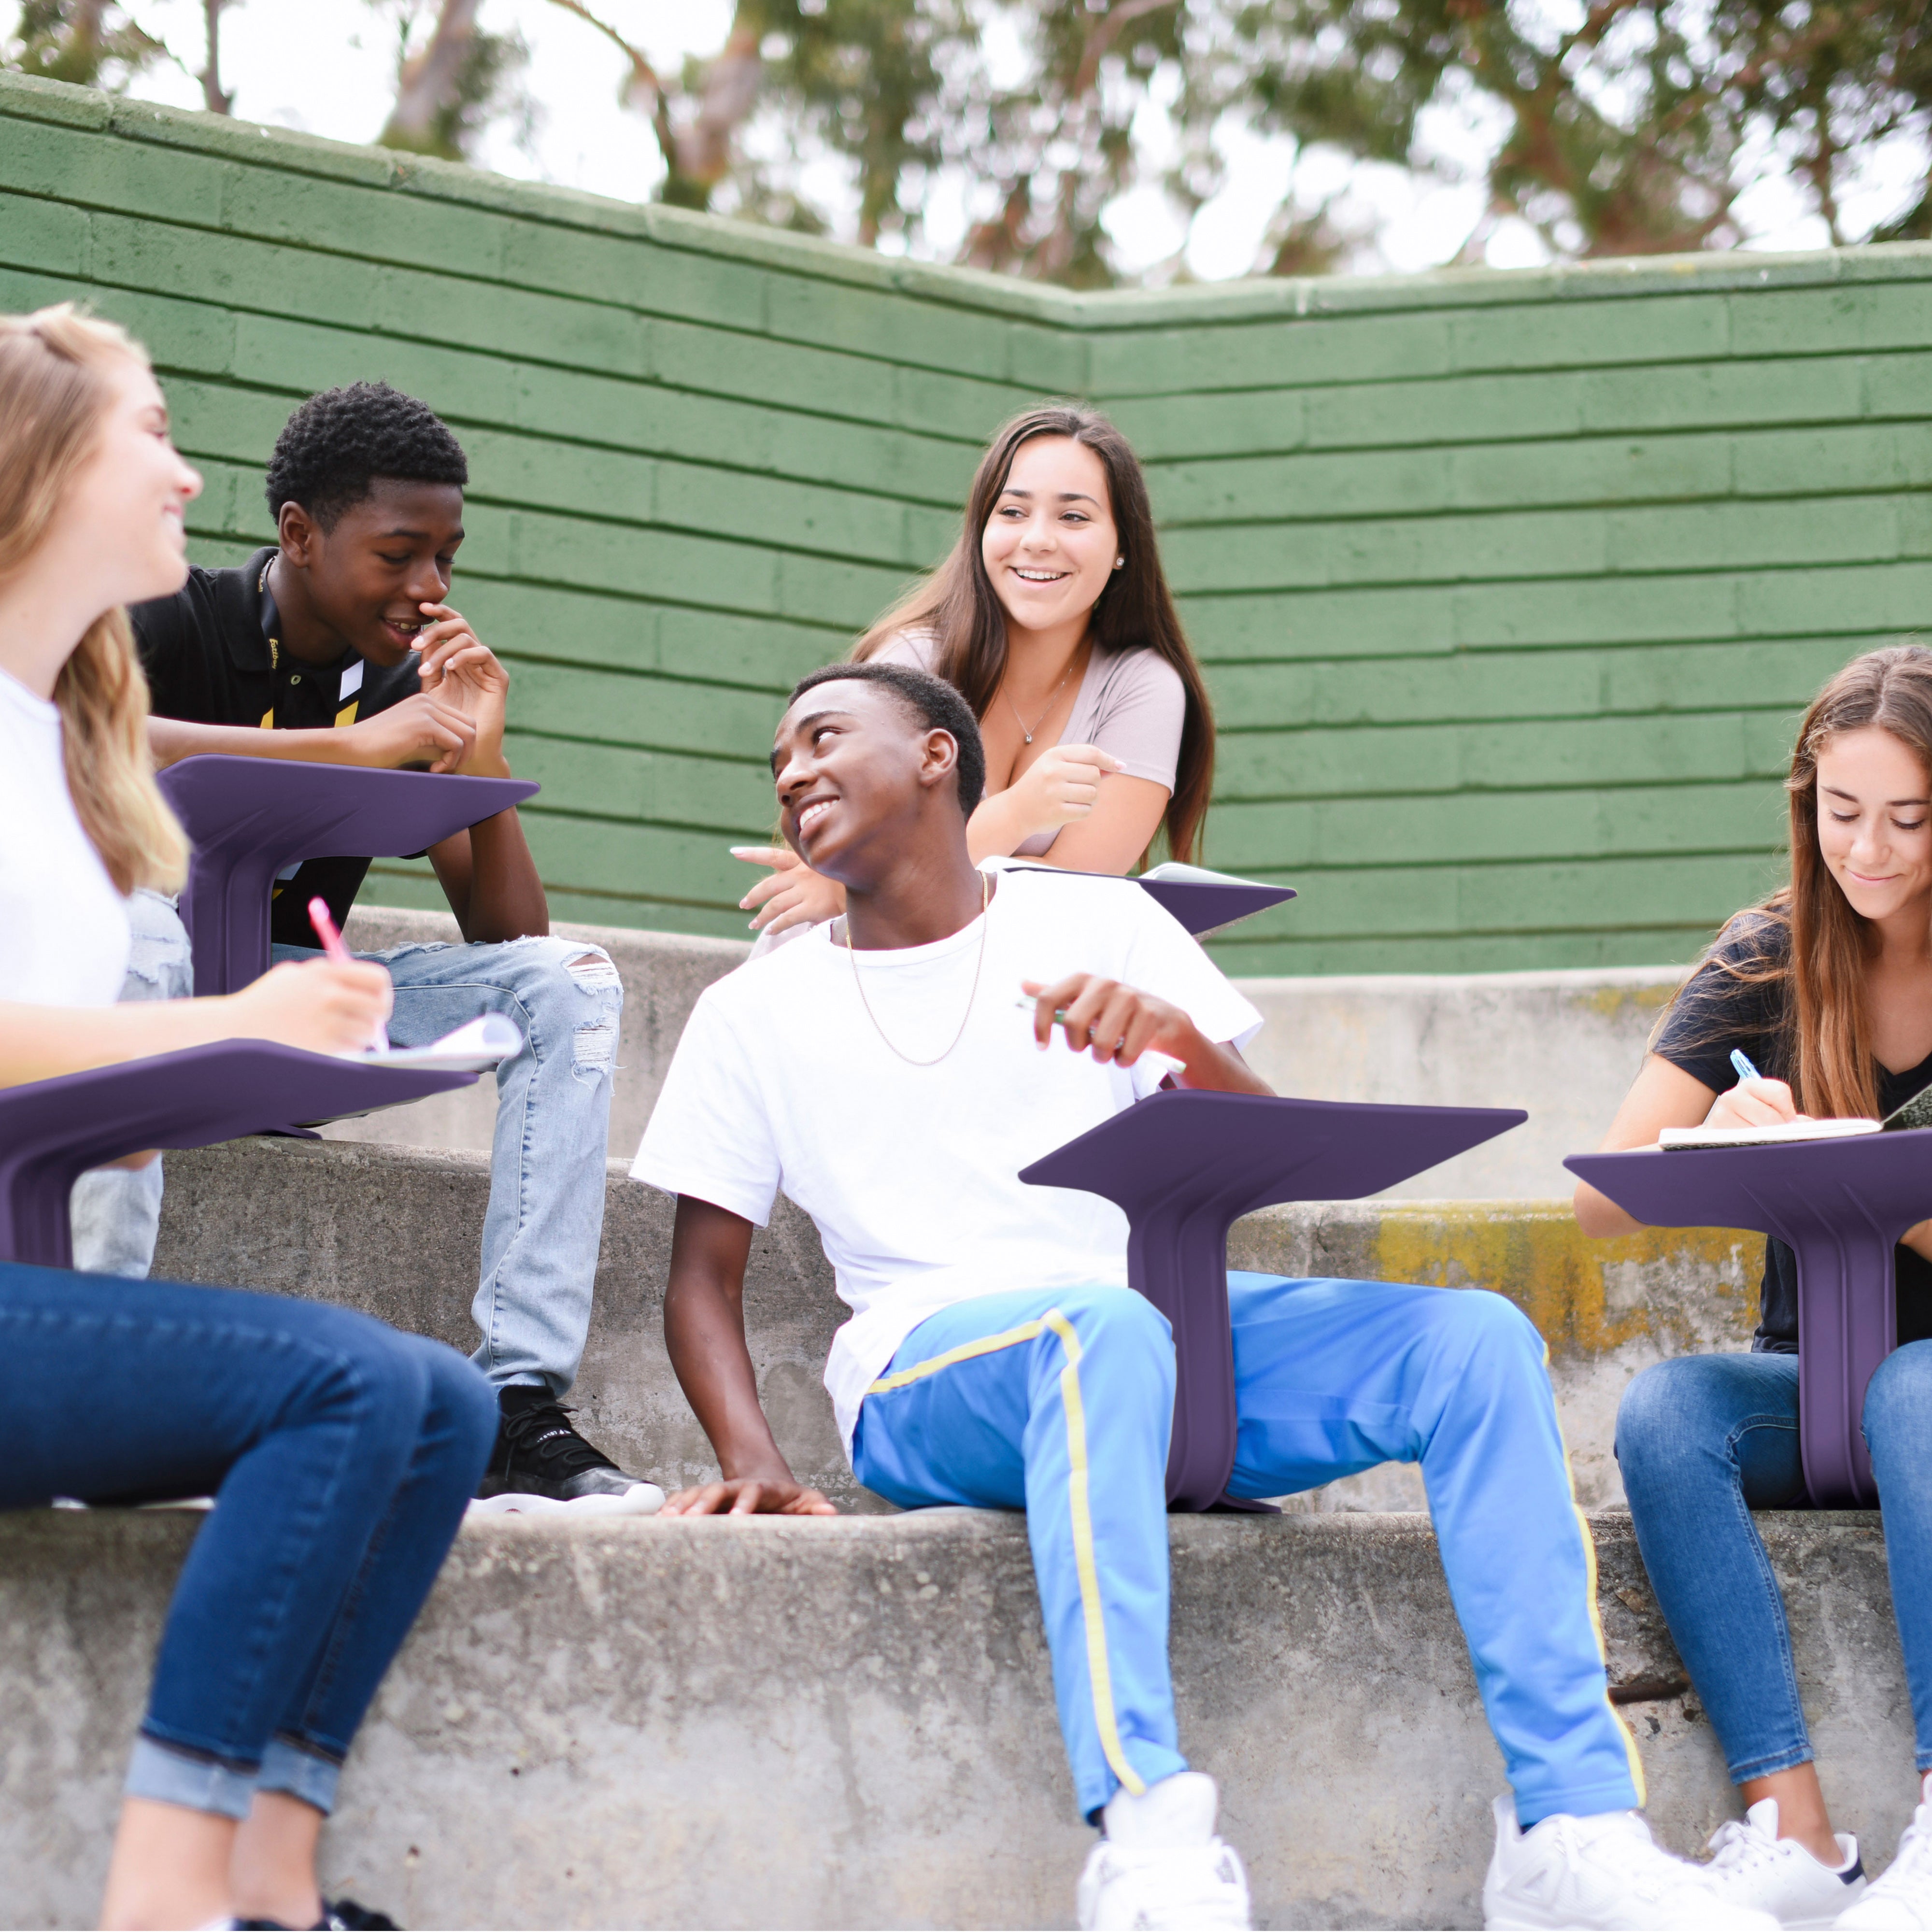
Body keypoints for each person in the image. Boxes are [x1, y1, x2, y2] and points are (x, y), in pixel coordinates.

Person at [632, 658, 1776, 1932]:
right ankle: (1148, 1833)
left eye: (823, 738)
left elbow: (1270, 1150)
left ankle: (1574, 1829)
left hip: (1152, 1336)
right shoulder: (756, 1010)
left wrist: (1178, 1041)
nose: (792, 772)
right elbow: (701, 1275)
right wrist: (753, 1454)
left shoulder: (1104, 923)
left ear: (938, 756)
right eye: (778, 760)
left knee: (1472, 1340)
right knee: (1098, 1329)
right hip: (930, 1372)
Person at [0, 302, 497, 1932]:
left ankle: (276, 1883)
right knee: (347, 1383)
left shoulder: (65, 754)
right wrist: (233, 1022)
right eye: (153, 434)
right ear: (41, 465)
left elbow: (80, 1100)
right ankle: (163, 1900)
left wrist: (249, 1064)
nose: (191, 478)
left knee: (443, 1406)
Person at [128, 379, 659, 1515]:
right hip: (142, 999)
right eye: (401, 553)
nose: (431, 588)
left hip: (295, 1002)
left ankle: (517, 1404)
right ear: (299, 533)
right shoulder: (174, 615)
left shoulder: (414, 680)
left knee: (566, 985)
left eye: (448, 558)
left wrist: (479, 757)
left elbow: (507, 936)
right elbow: (83, 736)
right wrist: (358, 749)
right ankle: (87, 1368)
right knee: (135, 933)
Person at [1579, 643, 1932, 1931]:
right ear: (1806, 804)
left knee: (1916, 1392)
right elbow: (1600, 1194)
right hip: (1812, 1382)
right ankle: (1796, 1833)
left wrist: (1868, 1172)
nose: (1872, 851)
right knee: (1669, 1412)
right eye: (1844, 815)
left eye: (1910, 818)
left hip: (1926, 1391)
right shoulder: (1769, 951)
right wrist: (1729, 1136)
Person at [732, 403, 1216, 939]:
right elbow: (867, 870)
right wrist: (1017, 814)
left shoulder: (1143, 686)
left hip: (1010, 983)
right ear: (980, 530)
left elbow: (1076, 894)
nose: (1037, 539)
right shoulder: (910, 664)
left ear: (1124, 544)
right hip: (851, 972)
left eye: (1073, 516)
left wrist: (896, 869)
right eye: (1012, 512)